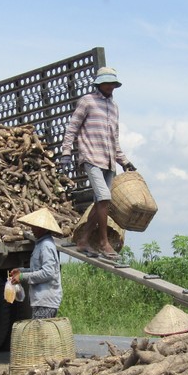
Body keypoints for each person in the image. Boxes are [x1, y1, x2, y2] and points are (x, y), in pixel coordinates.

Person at [59, 66, 136, 260]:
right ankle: (103, 243)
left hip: (109, 160)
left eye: (112, 83)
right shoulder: (88, 101)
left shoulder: (114, 107)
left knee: (100, 202)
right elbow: (72, 128)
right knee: (104, 198)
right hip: (91, 156)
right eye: (107, 83)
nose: (110, 86)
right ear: (100, 83)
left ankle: (84, 240)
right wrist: (66, 152)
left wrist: (124, 161)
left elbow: (114, 139)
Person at [9, 208, 63, 318]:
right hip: (40, 300)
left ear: (42, 228)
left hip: (46, 301)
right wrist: (21, 271)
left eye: (34, 227)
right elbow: (38, 269)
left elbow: (48, 273)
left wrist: (23, 276)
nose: (32, 229)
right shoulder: (40, 244)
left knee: (41, 334)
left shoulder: (46, 246)